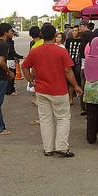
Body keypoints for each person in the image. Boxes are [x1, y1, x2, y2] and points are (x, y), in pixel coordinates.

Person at [22, 23, 83, 157]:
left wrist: (30, 81)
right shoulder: (61, 51)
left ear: (41, 35)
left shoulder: (35, 51)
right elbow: (68, 71)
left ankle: (48, 148)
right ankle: (61, 146)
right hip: (59, 91)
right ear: (55, 35)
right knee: (62, 118)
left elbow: (25, 67)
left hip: (41, 90)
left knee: (45, 120)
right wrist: (76, 86)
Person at [65, 25, 84, 107]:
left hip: (78, 62)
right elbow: (66, 50)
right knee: (70, 82)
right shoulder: (69, 40)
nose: (74, 32)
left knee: (79, 81)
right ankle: (70, 99)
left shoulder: (82, 40)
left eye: (76, 30)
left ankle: (81, 101)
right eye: (73, 31)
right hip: (70, 61)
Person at [6, 32, 23, 96]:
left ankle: (12, 89)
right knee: (11, 76)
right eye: (11, 32)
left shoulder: (10, 41)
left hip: (11, 60)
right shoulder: (8, 42)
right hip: (9, 61)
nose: (12, 34)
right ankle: (9, 91)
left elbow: (13, 52)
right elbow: (12, 52)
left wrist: (16, 57)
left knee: (12, 75)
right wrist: (21, 57)